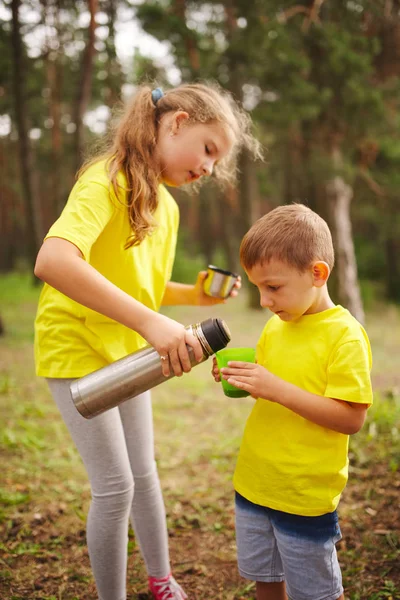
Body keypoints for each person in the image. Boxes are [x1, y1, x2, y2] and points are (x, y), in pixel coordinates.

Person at [34, 82, 262, 600]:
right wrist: (151, 324)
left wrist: (195, 297)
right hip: (76, 346)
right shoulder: (106, 181)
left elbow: (142, 285)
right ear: (177, 122)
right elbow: (53, 261)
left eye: (217, 162)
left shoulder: (169, 206)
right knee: (115, 489)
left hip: (129, 350)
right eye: (208, 149)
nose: (208, 169)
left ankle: (161, 580)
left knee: (145, 472)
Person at [212, 204, 373, 600]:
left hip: (303, 495)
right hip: (254, 484)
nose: (264, 300)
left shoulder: (345, 337)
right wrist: (242, 379)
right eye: (257, 288)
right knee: (265, 577)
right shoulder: (276, 326)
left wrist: (275, 388)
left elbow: (351, 419)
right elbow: (271, 386)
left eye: (273, 287)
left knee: (314, 591)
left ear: (317, 274)